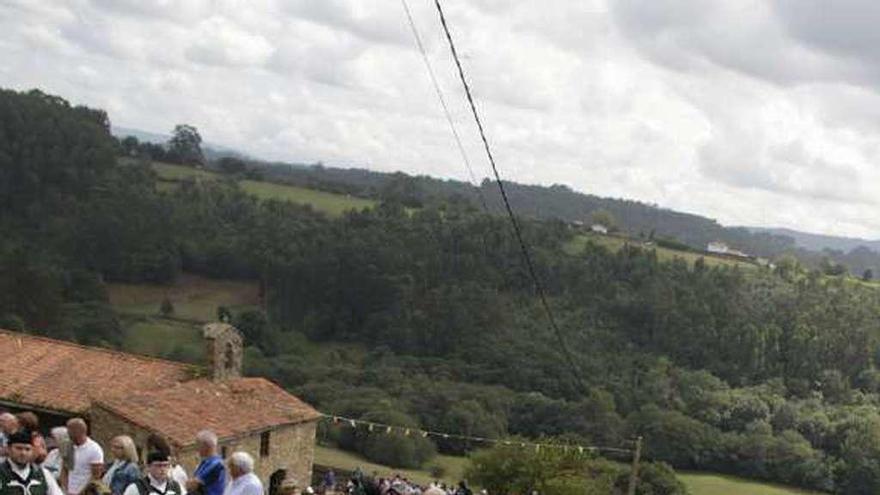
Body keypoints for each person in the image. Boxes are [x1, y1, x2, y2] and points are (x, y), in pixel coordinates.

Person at [0, 429, 64, 495]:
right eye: (18, 448)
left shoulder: (43, 474)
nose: (23, 453)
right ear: (9, 449)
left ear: (32, 451)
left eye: (27, 449)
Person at [66, 418, 104, 495]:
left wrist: (81, 493)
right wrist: (66, 489)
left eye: (69, 430)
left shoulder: (94, 449)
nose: (67, 433)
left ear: (78, 431)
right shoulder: (69, 447)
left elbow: (96, 476)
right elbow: (65, 469)